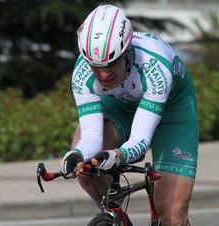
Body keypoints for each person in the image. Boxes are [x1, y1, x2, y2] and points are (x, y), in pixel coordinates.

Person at [61, 4, 198, 226]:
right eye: (96, 66)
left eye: (112, 63)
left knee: (172, 215)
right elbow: (92, 136)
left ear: (126, 52)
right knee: (86, 172)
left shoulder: (154, 67)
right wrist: (77, 155)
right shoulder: (82, 72)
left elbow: (140, 141)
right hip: (119, 105)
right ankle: (115, 214)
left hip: (172, 110)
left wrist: (118, 155)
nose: (104, 74)